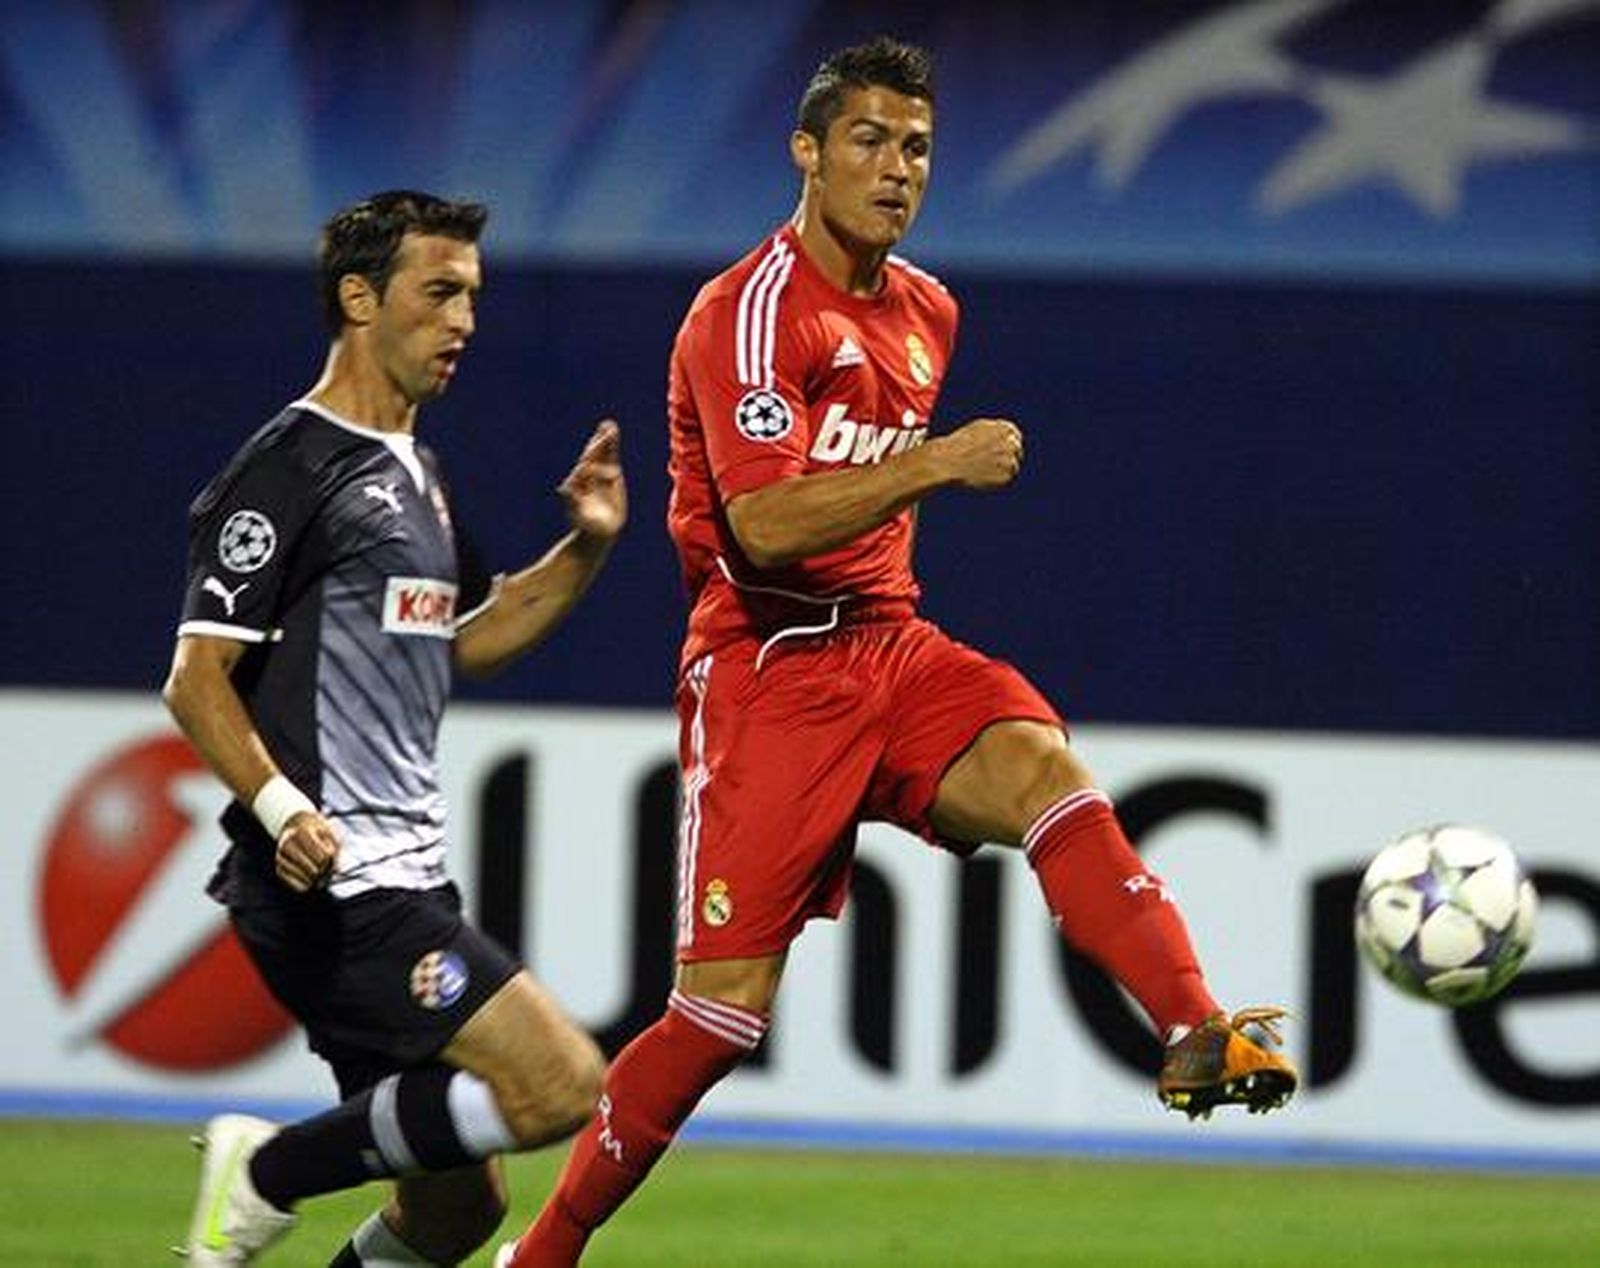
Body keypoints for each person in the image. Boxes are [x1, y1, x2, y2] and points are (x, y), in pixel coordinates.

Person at [496, 36, 1297, 1268]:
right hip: (767, 668)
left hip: (891, 644)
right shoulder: (744, 313)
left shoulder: (928, 309)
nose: (896, 168)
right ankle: (541, 1253)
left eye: (916, 147)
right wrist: (936, 461)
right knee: (718, 1016)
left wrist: (918, 478)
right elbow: (764, 526)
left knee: (1046, 772)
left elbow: (857, 507)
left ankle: (1192, 1027)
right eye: (868, 141)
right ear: (806, 153)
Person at [163, 190, 627, 1266]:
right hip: (334, 884)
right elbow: (196, 679)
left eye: (473, 297)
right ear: (360, 298)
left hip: (404, 874)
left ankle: (278, 1179)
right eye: (439, 292)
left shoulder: (416, 468)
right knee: (559, 1083)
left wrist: (587, 546)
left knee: (455, 1210)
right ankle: (265, 1169)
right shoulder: (289, 466)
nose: (463, 320)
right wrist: (282, 808)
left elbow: (466, 641)